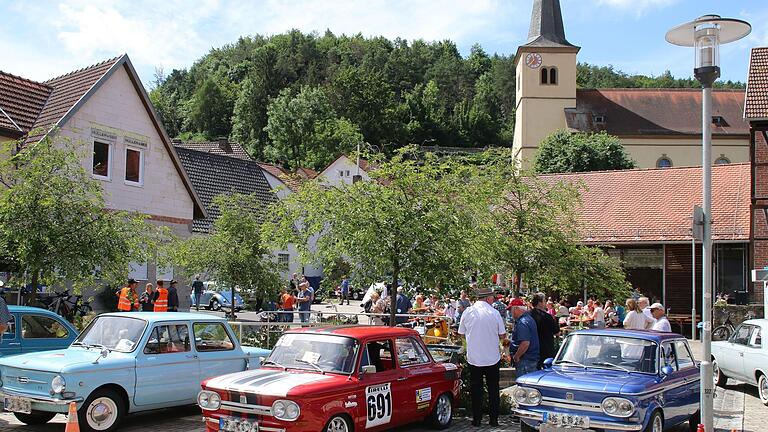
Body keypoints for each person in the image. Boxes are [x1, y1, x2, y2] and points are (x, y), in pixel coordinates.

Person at [458, 286, 507, 427]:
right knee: (493, 389)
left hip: (474, 357)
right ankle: (493, 419)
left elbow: (461, 333)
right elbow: (502, 335)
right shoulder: (494, 313)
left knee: (476, 390)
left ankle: (477, 419)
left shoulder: (468, 312)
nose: (493, 299)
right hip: (492, 357)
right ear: (487, 298)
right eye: (492, 297)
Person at [509, 298, 540, 377]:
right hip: (529, 359)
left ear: (516, 308)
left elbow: (525, 343)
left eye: (511, 310)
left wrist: (517, 356)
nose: (510, 312)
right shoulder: (528, 319)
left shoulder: (522, 322)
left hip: (525, 360)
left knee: (524, 387)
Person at [529, 293, 559, 369]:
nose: (545, 303)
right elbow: (557, 332)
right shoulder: (547, 317)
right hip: (545, 349)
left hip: (531, 348)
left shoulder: (528, 315)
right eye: (544, 301)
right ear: (540, 303)